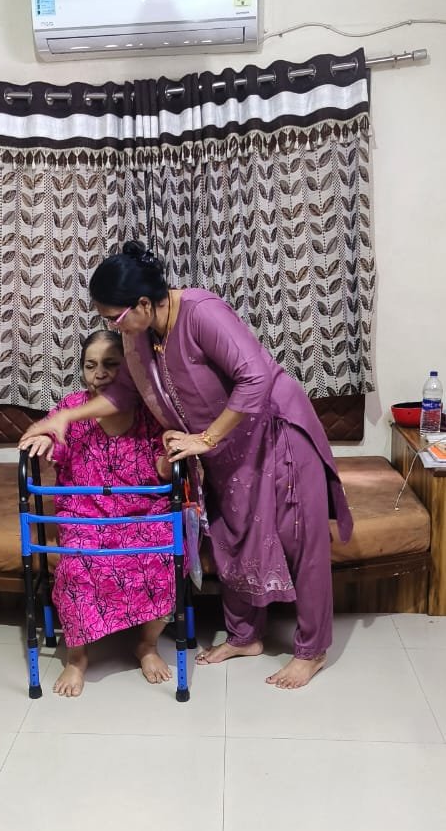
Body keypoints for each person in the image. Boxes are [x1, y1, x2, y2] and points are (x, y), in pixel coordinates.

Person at [21, 243, 354, 691]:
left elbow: (255, 376)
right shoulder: (138, 337)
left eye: (114, 318)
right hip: (227, 449)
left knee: (299, 537)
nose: (111, 327)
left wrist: (206, 438)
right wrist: (65, 417)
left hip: (275, 432)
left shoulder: (201, 312)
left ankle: (311, 651)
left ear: (143, 304)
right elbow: (123, 394)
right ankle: (245, 636)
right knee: (232, 535)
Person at [20, 330, 176, 697]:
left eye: (111, 364)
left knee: (164, 559)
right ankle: (77, 658)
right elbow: (49, 437)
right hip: (84, 515)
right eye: (91, 366)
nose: (100, 373)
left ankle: (146, 646)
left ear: (130, 368)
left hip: (142, 514)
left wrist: (170, 456)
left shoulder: (149, 412)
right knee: (77, 566)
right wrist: (42, 439)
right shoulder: (72, 408)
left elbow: (164, 471)